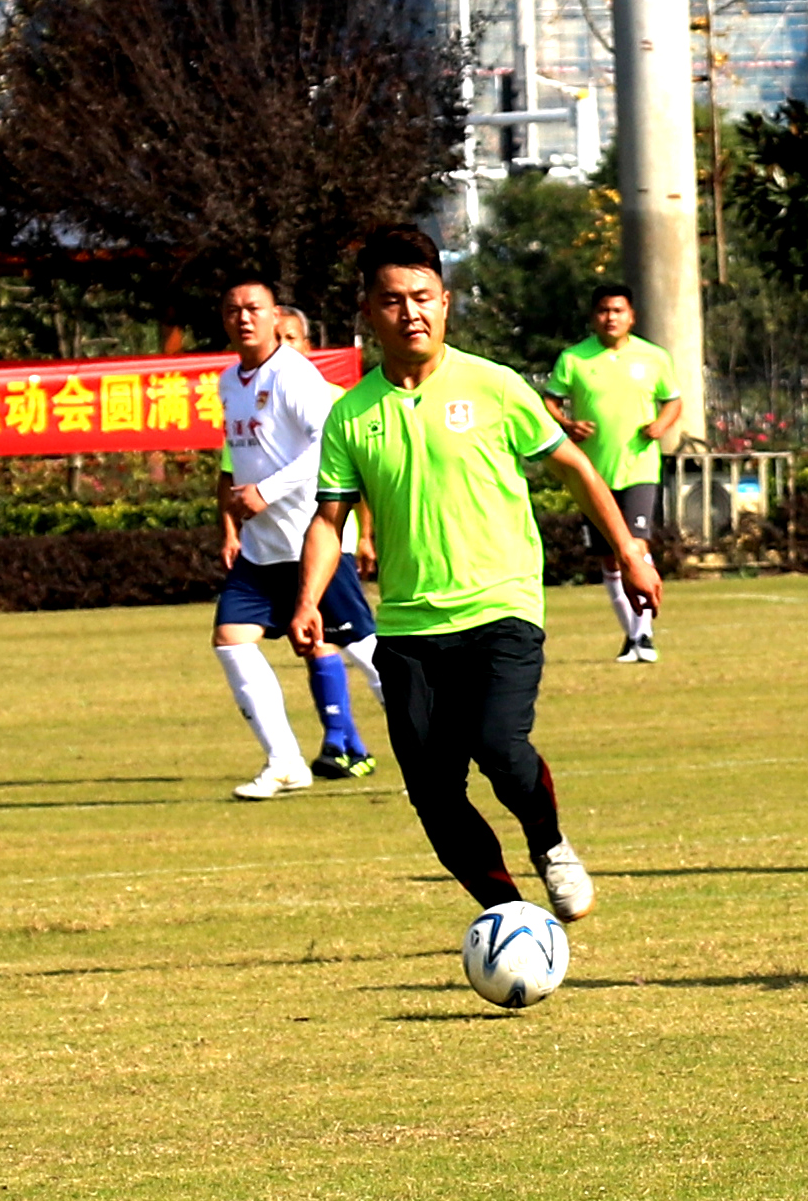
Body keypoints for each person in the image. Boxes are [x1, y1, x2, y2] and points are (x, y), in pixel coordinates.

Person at [291, 226, 657, 932]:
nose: (412, 312)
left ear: (447, 301)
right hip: (407, 627)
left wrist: (631, 552)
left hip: (501, 607)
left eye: (424, 296)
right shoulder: (350, 414)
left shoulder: (495, 385)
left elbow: (576, 468)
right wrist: (307, 598)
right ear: (369, 310)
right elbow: (327, 518)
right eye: (393, 300)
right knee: (432, 792)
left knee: (498, 745)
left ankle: (549, 843)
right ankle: (511, 917)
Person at [210, 280, 374, 802]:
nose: (244, 318)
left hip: (311, 540)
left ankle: (442, 743)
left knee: (368, 652)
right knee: (231, 638)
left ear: (274, 314)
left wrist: (267, 490)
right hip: (263, 548)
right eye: (234, 310)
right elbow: (237, 457)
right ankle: (285, 762)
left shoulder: (294, 374)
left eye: (254, 308)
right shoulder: (229, 381)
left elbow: (328, 445)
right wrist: (236, 517)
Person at [549, 283, 689, 663]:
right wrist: (566, 424)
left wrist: (662, 424)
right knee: (610, 559)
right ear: (594, 316)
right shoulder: (574, 359)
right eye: (603, 311)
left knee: (636, 547)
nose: (610, 318)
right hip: (593, 474)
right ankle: (634, 638)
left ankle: (643, 636)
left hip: (640, 469)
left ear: (631, 316)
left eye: (617, 311)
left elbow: (673, 400)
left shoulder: (653, 357)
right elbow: (548, 400)